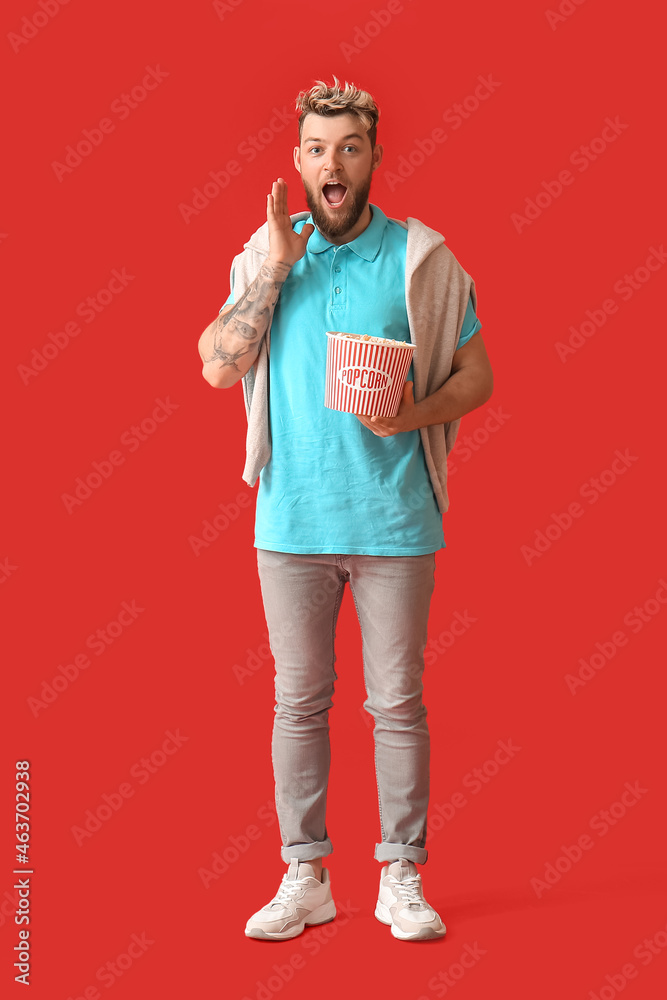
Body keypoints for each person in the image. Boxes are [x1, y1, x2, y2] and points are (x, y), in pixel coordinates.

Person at [197, 77, 494, 942]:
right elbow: (218, 367)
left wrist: (409, 414)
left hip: (395, 524)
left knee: (397, 703)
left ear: (371, 158)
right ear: (298, 161)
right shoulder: (262, 257)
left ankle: (400, 876)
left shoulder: (419, 261)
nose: (333, 163)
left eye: (350, 148)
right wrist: (276, 273)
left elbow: (477, 376)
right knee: (298, 703)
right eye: (317, 148)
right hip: (289, 525)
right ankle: (306, 875)